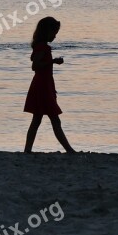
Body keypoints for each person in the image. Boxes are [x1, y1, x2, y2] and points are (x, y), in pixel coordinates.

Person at [23, 17, 75, 154]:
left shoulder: (42, 46)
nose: (55, 36)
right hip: (41, 87)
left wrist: (52, 89)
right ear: (46, 31)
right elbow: (35, 66)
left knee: (37, 120)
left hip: (44, 85)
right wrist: (52, 61)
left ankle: (27, 150)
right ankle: (69, 150)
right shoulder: (42, 47)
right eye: (54, 32)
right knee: (53, 120)